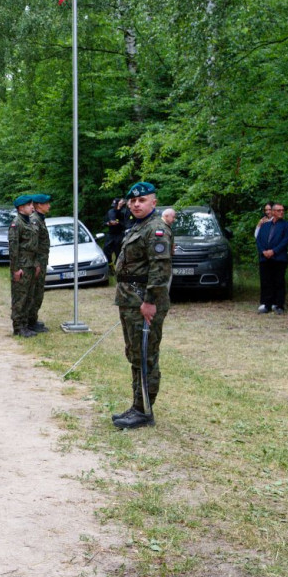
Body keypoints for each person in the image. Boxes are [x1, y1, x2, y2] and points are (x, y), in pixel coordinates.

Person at [112, 182, 172, 430]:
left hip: (143, 302)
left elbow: (160, 270)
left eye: (142, 200)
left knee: (146, 355)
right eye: (133, 201)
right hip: (129, 300)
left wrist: (149, 302)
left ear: (153, 202)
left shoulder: (157, 229)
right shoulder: (137, 227)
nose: (136, 204)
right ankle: (138, 405)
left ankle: (145, 411)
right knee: (135, 353)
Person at [8, 195, 41, 338]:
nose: (32, 207)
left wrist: (37, 263)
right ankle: (18, 327)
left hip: (31, 264)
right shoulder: (17, 223)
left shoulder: (30, 222)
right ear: (21, 208)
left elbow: (35, 245)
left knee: (28, 297)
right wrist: (15, 269)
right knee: (19, 298)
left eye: (32, 205)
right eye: (29, 205)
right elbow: (13, 249)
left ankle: (25, 325)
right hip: (21, 265)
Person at [256, 203, 288, 314]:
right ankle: (266, 304)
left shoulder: (287, 225)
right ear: (272, 212)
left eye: (282, 210)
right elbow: (259, 239)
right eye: (278, 210)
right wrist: (263, 251)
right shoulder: (265, 225)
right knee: (266, 281)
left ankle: (279, 305)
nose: (281, 212)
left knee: (279, 281)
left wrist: (273, 251)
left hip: (279, 258)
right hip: (265, 258)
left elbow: (285, 241)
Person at [28, 194, 52, 332]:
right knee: (35, 292)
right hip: (37, 263)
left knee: (38, 292)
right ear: (38, 205)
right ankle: (30, 322)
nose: (49, 206)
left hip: (41, 261)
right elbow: (33, 244)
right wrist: (36, 263)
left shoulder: (40, 219)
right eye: (46, 203)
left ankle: (33, 319)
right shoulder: (35, 220)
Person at [103, 198, 127, 263]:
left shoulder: (124, 211)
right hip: (111, 234)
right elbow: (104, 222)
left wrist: (118, 223)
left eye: (116, 205)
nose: (115, 207)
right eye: (114, 205)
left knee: (118, 251)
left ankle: (118, 265)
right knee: (106, 249)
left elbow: (125, 223)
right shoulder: (110, 212)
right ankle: (109, 264)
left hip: (119, 234)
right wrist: (108, 223)